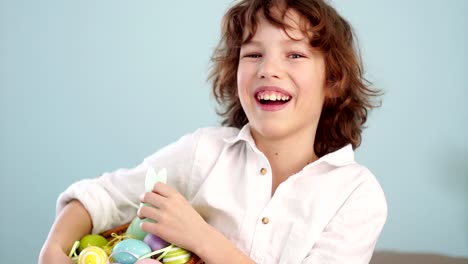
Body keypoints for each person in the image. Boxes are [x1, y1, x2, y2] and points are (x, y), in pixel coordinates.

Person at [39, 0, 387, 263]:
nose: (268, 69)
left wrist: (201, 238)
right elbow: (99, 198)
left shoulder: (356, 193)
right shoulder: (204, 152)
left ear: (333, 82)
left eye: (294, 54)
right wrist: (53, 249)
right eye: (252, 54)